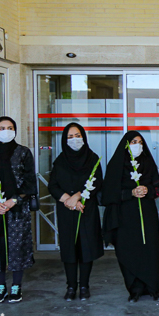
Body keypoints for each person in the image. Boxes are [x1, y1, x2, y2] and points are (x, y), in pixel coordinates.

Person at [0, 117, 37, 303]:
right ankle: (0, 286)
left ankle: (16, 286)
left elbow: (29, 181)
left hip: (17, 210)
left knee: (17, 247)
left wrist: (14, 200)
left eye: (10, 128)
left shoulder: (24, 153)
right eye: (2, 128)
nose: (6, 131)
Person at [102, 130, 159, 302]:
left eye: (140, 142)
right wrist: (130, 193)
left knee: (150, 250)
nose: (138, 146)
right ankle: (134, 289)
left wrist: (147, 190)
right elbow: (108, 193)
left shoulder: (148, 162)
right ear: (126, 145)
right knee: (128, 250)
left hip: (147, 214)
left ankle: (153, 288)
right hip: (125, 215)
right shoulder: (117, 164)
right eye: (134, 142)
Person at [48, 123, 104, 301]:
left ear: (84, 137)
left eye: (77, 135)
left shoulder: (92, 158)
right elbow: (53, 185)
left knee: (86, 247)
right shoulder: (60, 161)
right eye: (70, 137)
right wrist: (68, 199)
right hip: (66, 210)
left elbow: (97, 181)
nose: (75, 140)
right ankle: (71, 286)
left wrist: (78, 196)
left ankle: (84, 286)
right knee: (69, 248)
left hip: (87, 209)